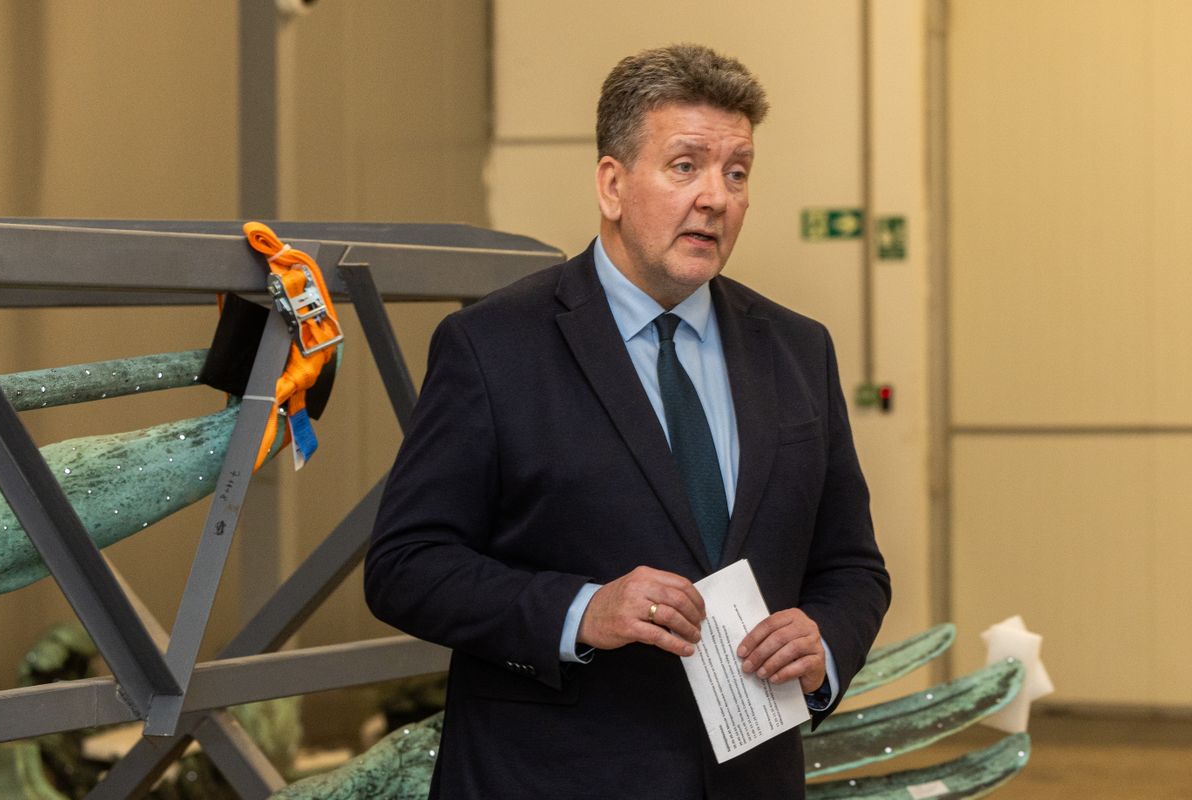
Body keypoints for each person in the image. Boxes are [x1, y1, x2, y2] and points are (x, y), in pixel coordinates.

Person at [365, 43, 890, 799]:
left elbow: (852, 567)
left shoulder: (798, 350)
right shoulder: (492, 346)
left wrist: (825, 645)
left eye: (737, 173)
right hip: (552, 779)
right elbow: (406, 566)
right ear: (612, 185)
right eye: (685, 166)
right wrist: (582, 610)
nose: (715, 197)